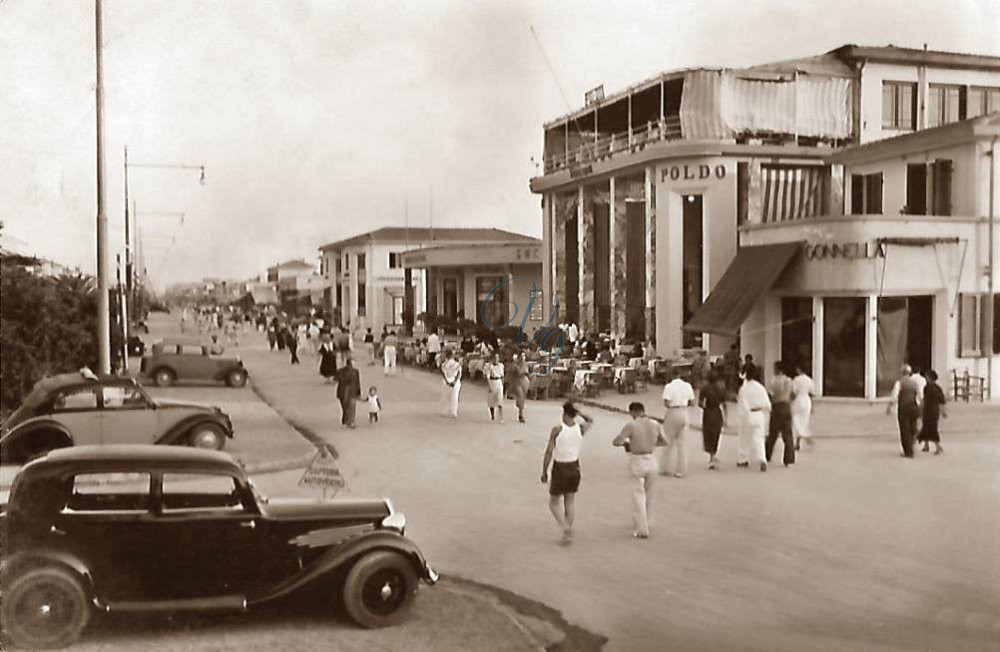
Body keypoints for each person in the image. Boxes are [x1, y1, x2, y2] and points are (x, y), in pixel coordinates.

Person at [612, 402, 668, 539]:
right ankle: (647, 521)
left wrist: (628, 444)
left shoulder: (632, 425)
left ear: (633, 412)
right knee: (649, 494)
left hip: (637, 460)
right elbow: (665, 441)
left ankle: (642, 528)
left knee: (638, 495)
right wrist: (651, 443)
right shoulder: (655, 424)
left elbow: (617, 441)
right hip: (651, 458)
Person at [541, 402, 593, 545]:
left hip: (560, 467)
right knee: (569, 501)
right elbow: (590, 420)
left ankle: (565, 528)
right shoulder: (580, 428)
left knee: (553, 503)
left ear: (563, 412)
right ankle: (568, 530)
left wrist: (544, 471)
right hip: (574, 466)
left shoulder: (557, 429)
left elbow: (549, 452)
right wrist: (579, 413)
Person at [660, 367, 695, 478]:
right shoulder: (687, 386)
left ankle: (664, 467)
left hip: (673, 411)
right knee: (682, 444)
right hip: (684, 412)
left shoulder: (669, 387)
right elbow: (692, 401)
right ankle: (681, 471)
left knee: (668, 441)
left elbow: (666, 402)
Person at [737, 365, 771, 472]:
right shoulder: (760, 387)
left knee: (744, 437)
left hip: (748, 414)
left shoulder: (744, 389)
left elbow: (742, 405)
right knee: (759, 438)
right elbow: (767, 404)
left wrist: (742, 415)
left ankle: (743, 459)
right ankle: (762, 459)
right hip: (759, 414)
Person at [765, 361, 795, 468]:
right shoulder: (789, 381)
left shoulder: (773, 381)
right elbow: (793, 394)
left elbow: (769, 394)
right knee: (788, 434)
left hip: (777, 406)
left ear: (776, 369)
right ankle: (789, 459)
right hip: (787, 406)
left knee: (773, 432)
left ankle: (767, 455)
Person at [887, 364, 921, 458]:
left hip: (904, 407)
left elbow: (894, 397)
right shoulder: (914, 383)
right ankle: (912, 446)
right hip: (913, 406)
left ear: (902, 372)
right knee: (912, 427)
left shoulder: (899, 383)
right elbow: (920, 396)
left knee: (904, 429)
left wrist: (889, 407)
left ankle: (908, 451)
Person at [699, 372, 727, 470]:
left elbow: (700, 403)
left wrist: (705, 407)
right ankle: (714, 454)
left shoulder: (705, 389)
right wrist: (726, 418)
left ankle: (711, 456)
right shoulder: (721, 389)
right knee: (716, 433)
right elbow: (724, 404)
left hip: (708, 412)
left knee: (708, 433)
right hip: (717, 412)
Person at [917, 369, 946, 454]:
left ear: (929, 378)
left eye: (927, 377)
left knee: (929, 427)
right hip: (935, 410)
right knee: (929, 427)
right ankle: (926, 445)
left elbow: (924, 400)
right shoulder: (938, 388)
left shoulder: (927, 388)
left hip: (928, 409)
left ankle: (938, 447)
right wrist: (943, 411)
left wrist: (919, 409)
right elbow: (942, 401)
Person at [791, 364, 816, 450]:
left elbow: (793, 392)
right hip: (807, 401)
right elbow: (812, 394)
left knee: (795, 420)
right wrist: (812, 406)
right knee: (804, 421)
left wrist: (791, 401)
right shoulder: (809, 380)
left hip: (799, 399)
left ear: (799, 369)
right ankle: (803, 437)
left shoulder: (796, 379)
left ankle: (799, 439)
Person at [336, 357, 361, 428]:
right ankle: (346, 420)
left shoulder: (355, 371)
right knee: (345, 407)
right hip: (344, 392)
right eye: (353, 362)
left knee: (352, 407)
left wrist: (358, 392)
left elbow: (357, 382)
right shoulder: (341, 371)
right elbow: (337, 379)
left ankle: (351, 421)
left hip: (351, 391)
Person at [510, 352, 531, 423]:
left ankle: (520, 411)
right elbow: (514, 373)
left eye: (524, 356)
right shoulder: (515, 364)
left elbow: (528, 373)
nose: (522, 357)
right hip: (517, 382)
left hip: (524, 381)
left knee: (522, 398)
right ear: (518, 357)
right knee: (520, 396)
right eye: (521, 356)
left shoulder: (526, 364)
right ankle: (521, 414)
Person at [440, 350, 463, 418]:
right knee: (455, 397)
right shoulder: (456, 364)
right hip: (455, 380)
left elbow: (443, 374)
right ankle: (454, 412)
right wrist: (455, 381)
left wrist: (447, 381)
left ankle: (444, 411)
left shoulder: (444, 364)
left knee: (445, 396)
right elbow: (459, 374)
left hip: (447, 380)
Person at [484, 353, 505, 423]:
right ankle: (492, 415)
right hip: (492, 382)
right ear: (492, 359)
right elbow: (487, 377)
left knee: (500, 400)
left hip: (498, 382)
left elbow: (502, 376)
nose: (496, 359)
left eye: (497, 358)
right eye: (495, 358)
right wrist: (489, 386)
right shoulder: (489, 366)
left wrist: (503, 385)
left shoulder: (501, 365)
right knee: (491, 400)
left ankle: (501, 417)